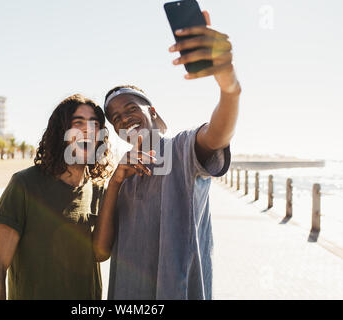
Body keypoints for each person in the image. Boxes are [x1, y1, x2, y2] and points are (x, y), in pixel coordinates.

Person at [92, 13, 240, 299]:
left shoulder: (181, 149)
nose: (124, 119)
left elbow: (217, 135)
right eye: (116, 118)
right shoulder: (120, 175)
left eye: (131, 109)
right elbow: (100, 252)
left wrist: (229, 87)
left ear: (152, 112)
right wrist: (115, 182)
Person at [0, 94, 113, 300]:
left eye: (95, 125)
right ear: (61, 132)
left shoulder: (98, 189)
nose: (88, 130)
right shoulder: (25, 184)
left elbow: (101, 254)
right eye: (78, 123)